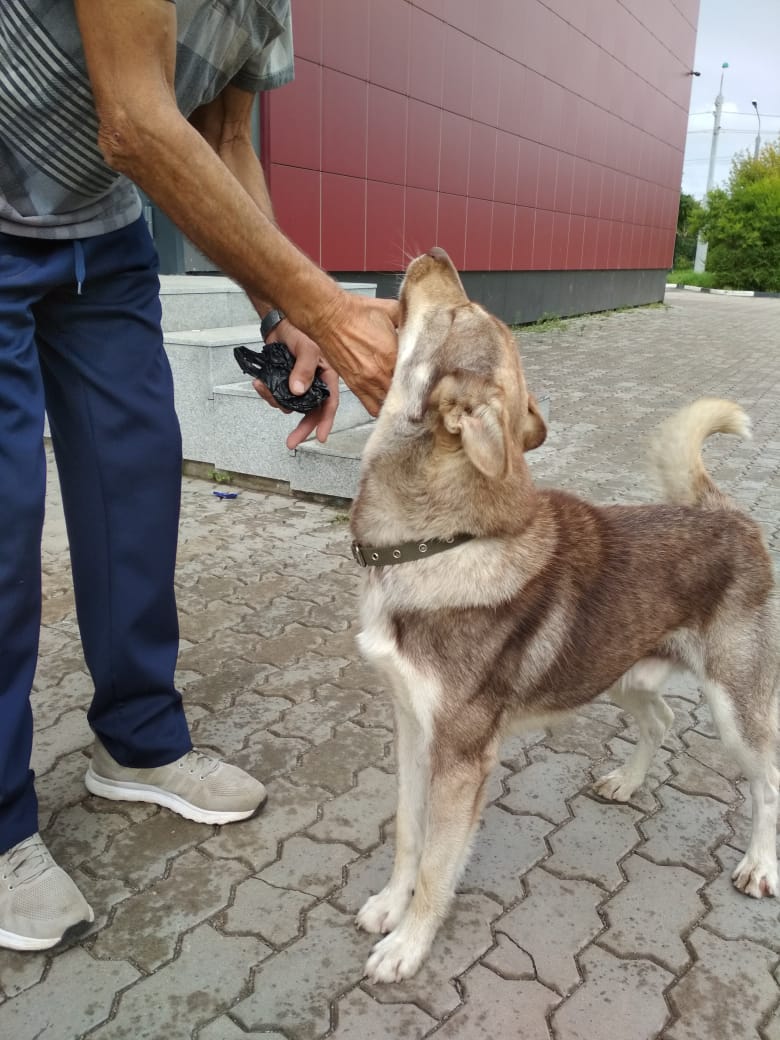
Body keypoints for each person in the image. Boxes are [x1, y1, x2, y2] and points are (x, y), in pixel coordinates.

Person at [0, 0, 398, 952]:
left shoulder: (268, 8)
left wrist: (282, 312)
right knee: (6, 523)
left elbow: (224, 140)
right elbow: (133, 120)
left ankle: (137, 737)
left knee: (136, 490)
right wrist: (328, 305)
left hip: (103, 237)